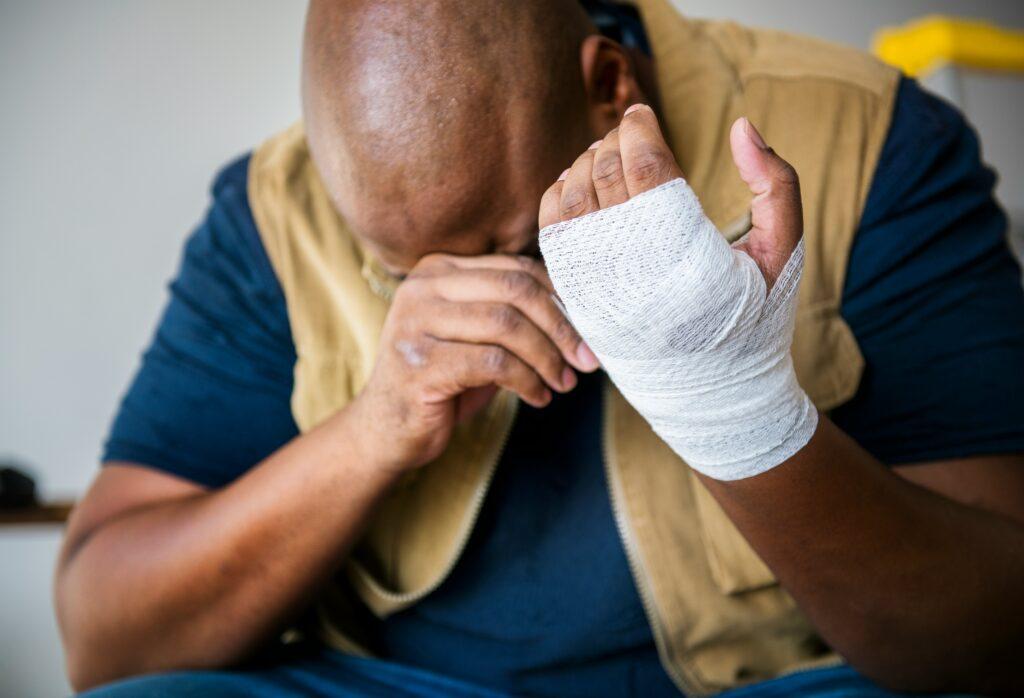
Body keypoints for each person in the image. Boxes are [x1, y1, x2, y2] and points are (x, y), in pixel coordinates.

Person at [56, 0, 1024, 696]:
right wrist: (374, 429)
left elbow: (992, 639)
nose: (479, 304)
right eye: (405, 271)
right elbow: (105, 640)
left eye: (515, 247)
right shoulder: (277, 208)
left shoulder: (864, 135)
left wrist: (732, 403)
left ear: (610, 85)